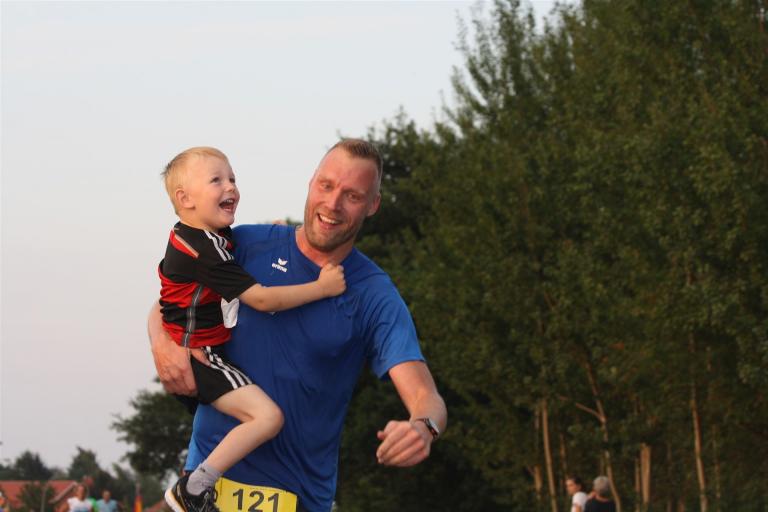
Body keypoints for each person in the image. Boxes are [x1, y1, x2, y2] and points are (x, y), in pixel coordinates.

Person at [149, 138, 447, 512]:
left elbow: (425, 396)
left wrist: (423, 427)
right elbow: (173, 296)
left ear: (373, 205)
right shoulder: (245, 243)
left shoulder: (374, 294)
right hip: (201, 492)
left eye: (352, 196)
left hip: (296, 498)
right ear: (311, 182)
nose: (333, 204)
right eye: (326, 185)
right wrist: (160, 339)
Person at [157, 147, 347, 512]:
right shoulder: (206, 250)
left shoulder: (191, 236)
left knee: (243, 420)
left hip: (197, 350)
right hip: (204, 358)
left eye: (232, 178)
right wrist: (322, 288)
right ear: (185, 199)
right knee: (267, 417)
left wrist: (274, 236)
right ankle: (193, 489)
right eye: (216, 180)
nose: (230, 186)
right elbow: (261, 299)